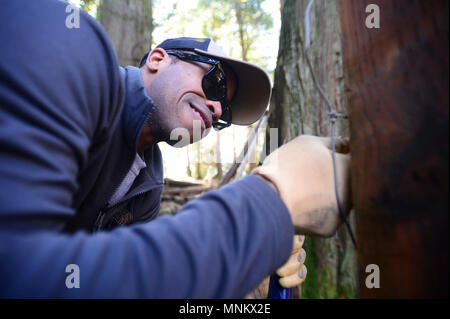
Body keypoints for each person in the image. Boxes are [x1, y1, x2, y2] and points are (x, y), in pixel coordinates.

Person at [0, 0, 351, 298]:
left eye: (225, 114)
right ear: (157, 59)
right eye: (214, 83)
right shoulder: (71, 49)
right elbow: (21, 271)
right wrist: (261, 213)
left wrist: (240, 283)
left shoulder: (148, 183)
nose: (216, 111)